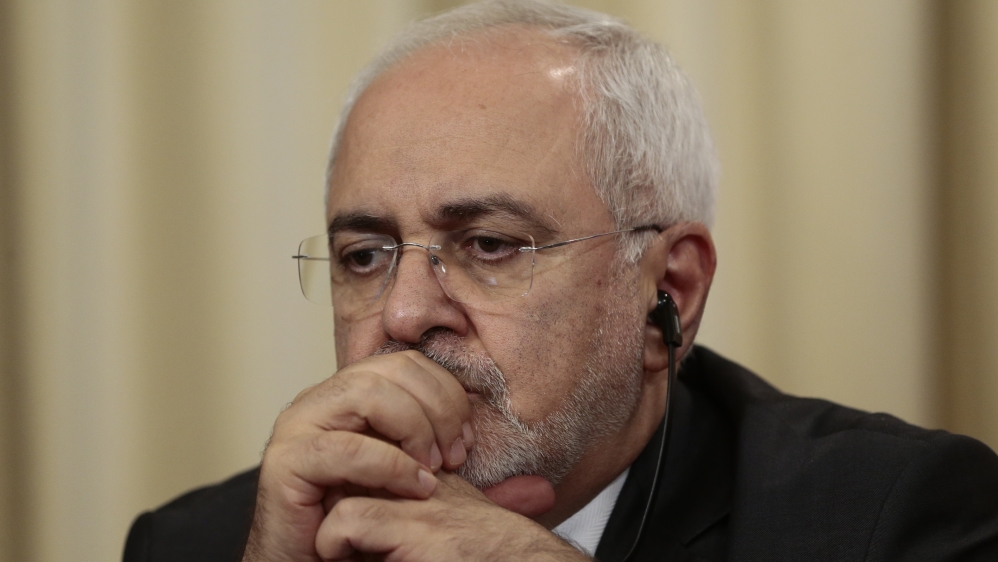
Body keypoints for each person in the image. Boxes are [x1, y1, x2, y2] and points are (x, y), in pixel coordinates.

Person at [123, 1, 998, 561]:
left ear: (670, 292)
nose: (404, 313)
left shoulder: (886, 519)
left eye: (489, 245)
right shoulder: (212, 543)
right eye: (365, 255)